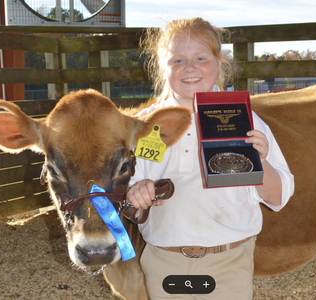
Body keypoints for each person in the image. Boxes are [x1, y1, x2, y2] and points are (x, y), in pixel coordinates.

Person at [126, 17, 294, 300]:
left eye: (201, 58)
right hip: (164, 262)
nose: (189, 67)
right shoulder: (144, 127)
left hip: (228, 262)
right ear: (161, 68)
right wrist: (136, 191)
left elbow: (278, 199)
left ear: (219, 63)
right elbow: (128, 192)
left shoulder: (247, 121)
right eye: (177, 60)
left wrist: (260, 161)